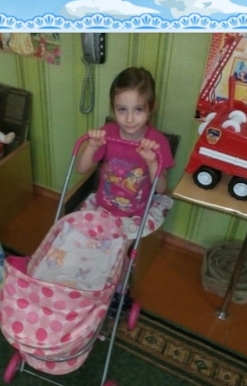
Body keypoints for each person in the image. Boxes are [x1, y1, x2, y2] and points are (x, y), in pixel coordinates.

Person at [75, 67, 176, 315]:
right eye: (122, 110)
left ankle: (116, 290)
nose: (129, 119)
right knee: (82, 241)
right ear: (114, 109)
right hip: (103, 206)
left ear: (151, 108)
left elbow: (162, 188)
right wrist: (92, 146)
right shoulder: (108, 134)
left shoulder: (157, 142)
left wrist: (152, 162)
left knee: (117, 252)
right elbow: (81, 168)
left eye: (138, 110)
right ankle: (86, 283)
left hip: (133, 214)